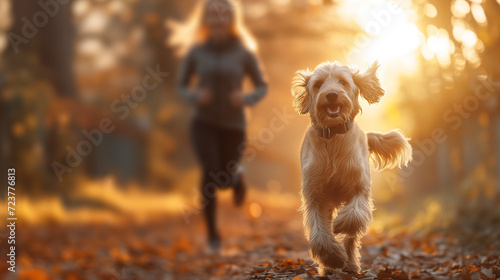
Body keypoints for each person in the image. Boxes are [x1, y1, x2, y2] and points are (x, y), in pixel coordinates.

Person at [175, 0, 267, 253]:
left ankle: (237, 178)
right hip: (203, 123)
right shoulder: (196, 52)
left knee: (224, 179)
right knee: (209, 172)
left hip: (234, 125)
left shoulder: (243, 53)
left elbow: (262, 86)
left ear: (230, 19)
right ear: (205, 20)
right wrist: (195, 97)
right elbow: (181, 86)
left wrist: (245, 99)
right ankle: (213, 236)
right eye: (212, 15)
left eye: (222, 15)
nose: (217, 20)